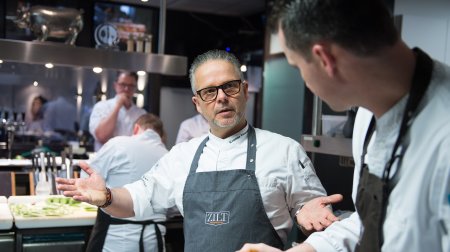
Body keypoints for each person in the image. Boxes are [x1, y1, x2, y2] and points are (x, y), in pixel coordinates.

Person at [57, 49, 336, 251]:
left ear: (245, 90)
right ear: (197, 104)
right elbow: (136, 199)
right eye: (209, 92)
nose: (222, 97)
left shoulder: (286, 151)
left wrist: (305, 214)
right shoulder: (182, 156)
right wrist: (105, 196)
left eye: (229, 86)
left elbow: (318, 219)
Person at [238, 0, 450, 252]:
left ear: (324, 58)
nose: (305, 82)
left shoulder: (443, 138)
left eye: (297, 67)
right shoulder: (367, 115)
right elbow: (369, 221)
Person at [83, 113, 168, 252]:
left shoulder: (118, 144)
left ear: (136, 128)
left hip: (116, 240)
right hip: (155, 240)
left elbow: (87, 180)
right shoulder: (168, 155)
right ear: (161, 135)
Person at [89, 71, 146, 150]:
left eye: (131, 85)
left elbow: (144, 143)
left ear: (135, 88)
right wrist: (118, 105)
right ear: (115, 85)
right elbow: (101, 136)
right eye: (123, 84)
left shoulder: (142, 114)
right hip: (105, 160)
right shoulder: (101, 106)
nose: (126, 89)